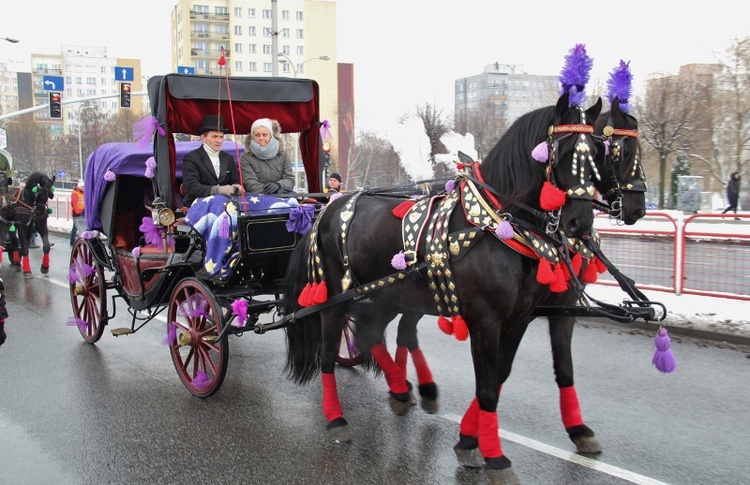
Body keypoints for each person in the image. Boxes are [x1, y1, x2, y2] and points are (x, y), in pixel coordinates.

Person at [182, 115, 243, 207]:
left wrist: (237, 186)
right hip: (199, 204)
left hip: (226, 204)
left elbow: (235, 180)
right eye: (214, 137)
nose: (219, 141)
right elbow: (191, 187)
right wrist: (217, 190)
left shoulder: (228, 158)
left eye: (221, 137)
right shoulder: (191, 158)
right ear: (203, 138)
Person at [239, 118, 295, 195]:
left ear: (271, 135)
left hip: (282, 194)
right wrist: (274, 192)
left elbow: (290, 179)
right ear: (252, 137)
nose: (261, 138)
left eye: (265, 135)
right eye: (257, 135)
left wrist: (279, 185)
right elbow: (250, 183)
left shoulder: (282, 154)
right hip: (258, 198)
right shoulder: (245, 157)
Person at [70, 179, 85, 246]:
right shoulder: (75, 193)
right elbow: (74, 204)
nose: (83, 188)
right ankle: (72, 240)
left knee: (83, 226)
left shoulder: (84, 193)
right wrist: (78, 212)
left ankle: (83, 239)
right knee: (75, 227)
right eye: (82, 186)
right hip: (77, 213)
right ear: (79, 187)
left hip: (83, 212)